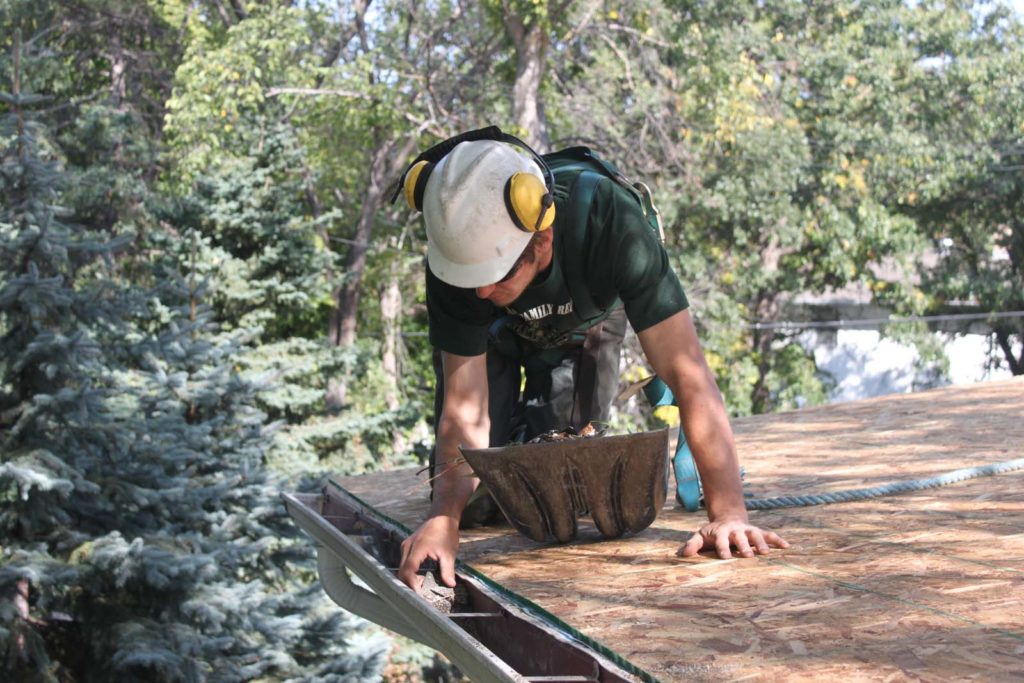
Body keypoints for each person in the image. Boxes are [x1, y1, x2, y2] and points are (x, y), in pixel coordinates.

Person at [393, 128, 788, 591]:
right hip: (494, 340)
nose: (480, 292)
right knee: (478, 499)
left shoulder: (609, 221)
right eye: (471, 280)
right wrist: (444, 517)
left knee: (554, 488)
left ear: (542, 239)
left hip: (584, 326)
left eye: (495, 276)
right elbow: (464, 408)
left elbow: (688, 374)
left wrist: (728, 513)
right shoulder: (458, 252)